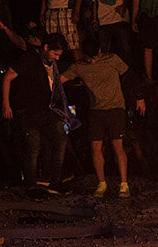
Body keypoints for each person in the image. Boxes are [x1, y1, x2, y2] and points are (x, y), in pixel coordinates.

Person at [61, 30, 142, 198]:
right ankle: (102, 183)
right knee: (95, 147)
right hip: (96, 111)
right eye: (89, 58)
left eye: (95, 57)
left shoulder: (112, 59)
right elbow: (60, 79)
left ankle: (124, 184)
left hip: (115, 109)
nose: (92, 61)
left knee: (117, 146)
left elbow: (129, 75)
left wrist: (139, 98)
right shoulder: (79, 66)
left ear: (100, 51)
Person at [0, 27, 74, 189]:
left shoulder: (51, 64)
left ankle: (55, 181)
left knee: (60, 139)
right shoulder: (29, 58)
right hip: (29, 110)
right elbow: (7, 78)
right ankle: (30, 184)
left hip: (48, 110)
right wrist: (6, 104)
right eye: (55, 54)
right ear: (46, 47)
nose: (56, 58)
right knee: (33, 147)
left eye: (59, 56)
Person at [90, 0, 134, 69]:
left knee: (125, 49)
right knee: (103, 51)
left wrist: (124, 6)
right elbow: (94, 2)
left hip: (120, 19)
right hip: (104, 21)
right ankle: (107, 75)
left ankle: (128, 74)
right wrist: (95, 19)